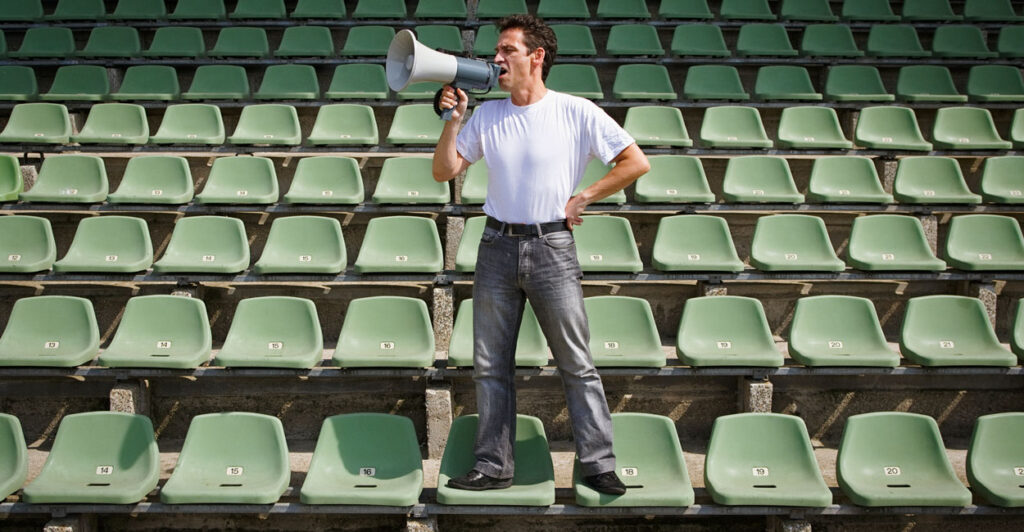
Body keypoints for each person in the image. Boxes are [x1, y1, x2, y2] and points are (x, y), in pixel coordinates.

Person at [432, 14, 650, 495]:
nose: (496, 58)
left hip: (552, 246)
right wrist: (454, 122)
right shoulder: (487, 115)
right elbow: (443, 171)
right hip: (495, 246)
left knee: (576, 362)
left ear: (537, 57)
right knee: (490, 365)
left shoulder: (576, 110)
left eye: (507, 49)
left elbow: (636, 161)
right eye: (497, 50)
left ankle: (598, 463)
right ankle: (493, 465)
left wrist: (586, 196)